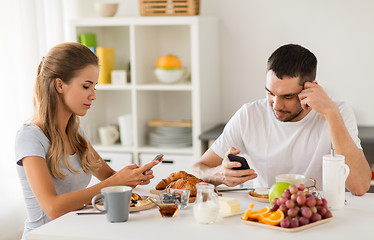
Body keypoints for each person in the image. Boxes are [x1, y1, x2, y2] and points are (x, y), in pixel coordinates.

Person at [15, 42, 161, 239]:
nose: (93, 96)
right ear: (59, 85)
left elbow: (110, 178)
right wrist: (115, 182)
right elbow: (52, 208)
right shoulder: (31, 137)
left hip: (76, 232)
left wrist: (132, 177)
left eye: (94, 87)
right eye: (86, 86)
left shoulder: (77, 135)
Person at [191, 44, 371, 196]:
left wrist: (330, 114)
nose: (276, 105)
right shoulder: (249, 114)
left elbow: (360, 186)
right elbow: (196, 169)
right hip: (266, 215)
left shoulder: (337, 112)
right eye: (270, 93)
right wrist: (218, 174)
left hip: (318, 215)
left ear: (311, 89)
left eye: (287, 97)